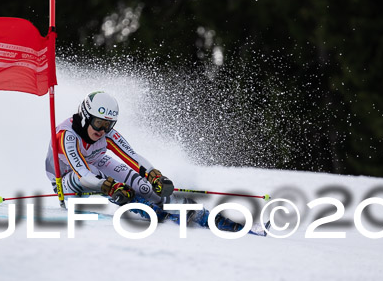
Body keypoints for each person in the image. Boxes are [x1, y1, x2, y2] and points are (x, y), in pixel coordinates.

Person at [45, 90, 249, 232]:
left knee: (140, 183)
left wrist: (154, 176)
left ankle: (193, 212)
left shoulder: (106, 134)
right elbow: (83, 173)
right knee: (107, 181)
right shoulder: (67, 136)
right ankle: (137, 204)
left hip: (96, 165)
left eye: (108, 125)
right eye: (98, 123)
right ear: (85, 116)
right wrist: (110, 186)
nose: (102, 131)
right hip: (68, 184)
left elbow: (132, 156)